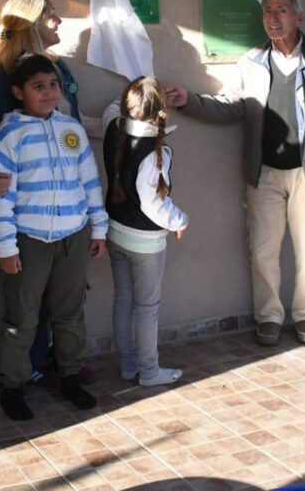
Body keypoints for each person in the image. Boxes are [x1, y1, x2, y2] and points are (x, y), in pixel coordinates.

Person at [166, 0, 305, 347]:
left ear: (299, 17)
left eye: (281, 10)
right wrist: (190, 102)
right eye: (268, 11)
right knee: (263, 251)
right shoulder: (252, 63)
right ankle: (269, 316)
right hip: (263, 172)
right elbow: (231, 106)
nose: (273, 18)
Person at [0, 0, 92, 384]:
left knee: (65, 304)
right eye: (51, 15)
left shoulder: (59, 69)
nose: (59, 21)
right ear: (30, 23)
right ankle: (17, 377)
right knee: (21, 307)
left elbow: (73, 127)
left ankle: (59, 367)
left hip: (69, 219)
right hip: (24, 218)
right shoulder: (0, 77)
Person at [0, 54, 108, 421]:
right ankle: (13, 385)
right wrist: (6, 247)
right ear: (18, 92)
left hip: (74, 233)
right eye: (38, 87)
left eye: (53, 85)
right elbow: (1, 196)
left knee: (69, 313)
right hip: (29, 239)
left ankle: (69, 375)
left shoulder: (70, 128)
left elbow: (89, 181)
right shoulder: (10, 135)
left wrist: (98, 227)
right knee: (21, 316)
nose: (48, 92)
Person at [103, 77, 189, 387]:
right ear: (162, 112)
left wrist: (136, 88)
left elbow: (113, 107)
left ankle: (128, 365)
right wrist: (179, 221)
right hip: (146, 243)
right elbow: (153, 204)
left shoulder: (114, 127)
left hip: (115, 232)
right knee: (147, 309)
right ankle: (149, 371)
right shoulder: (156, 151)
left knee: (123, 300)